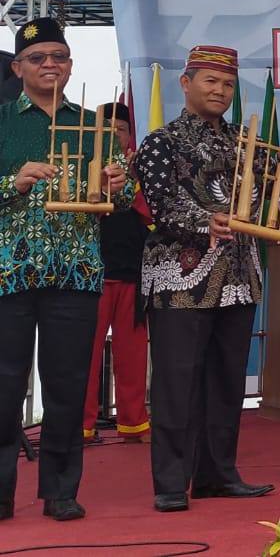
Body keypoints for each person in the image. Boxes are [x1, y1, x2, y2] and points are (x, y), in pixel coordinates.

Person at [136, 44, 280, 512]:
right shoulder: (161, 143)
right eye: (210, 81)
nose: (220, 91)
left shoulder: (244, 143)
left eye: (228, 83)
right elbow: (162, 205)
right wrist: (206, 220)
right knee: (176, 382)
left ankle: (217, 474)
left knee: (227, 381)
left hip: (238, 276)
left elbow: (269, 194)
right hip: (178, 279)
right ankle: (170, 482)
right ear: (185, 84)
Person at [0, 18, 131, 522]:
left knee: (68, 385)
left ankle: (59, 492)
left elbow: (130, 199)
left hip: (76, 274)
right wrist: (15, 181)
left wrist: (121, 186)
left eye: (58, 56)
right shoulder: (3, 122)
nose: (50, 64)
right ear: (18, 68)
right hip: (9, 274)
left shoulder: (94, 126)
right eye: (38, 58)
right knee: (4, 385)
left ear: (71, 63)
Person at [82, 102, 151, 445]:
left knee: (133, 356)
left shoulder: (143, 174)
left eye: (119, 130)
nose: (113, 135)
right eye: (105, 130)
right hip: (91, 277)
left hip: (133, 276)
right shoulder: (82, 170)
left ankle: (134, 424)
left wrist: (131, 180)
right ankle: (81, 426)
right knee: (85, 355)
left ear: (128, 136)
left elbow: (152, 217)